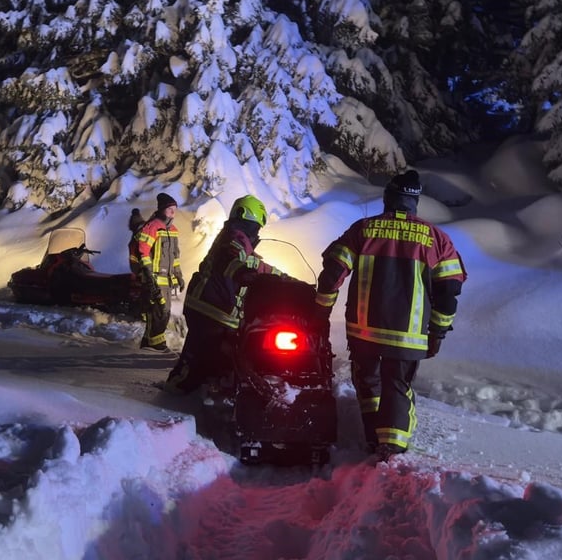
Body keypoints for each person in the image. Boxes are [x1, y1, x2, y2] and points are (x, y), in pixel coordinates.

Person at [315, 170, 466, 461]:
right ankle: (393, 448)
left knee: (369, 384)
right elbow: (449, 292)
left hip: (364, 332)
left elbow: (333, 270)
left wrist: (321, 308)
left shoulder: (363, 230)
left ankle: (374, 438)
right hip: (408, 336)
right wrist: (438, 332)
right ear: (414, 202)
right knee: (397, 385)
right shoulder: (436, 239)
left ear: (388, 198)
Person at [164, 195, 287, 394]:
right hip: (211, 308)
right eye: (256, 227)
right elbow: (235, 260)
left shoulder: (237, 239)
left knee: (215, 359)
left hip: (218, 310)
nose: (257, 233)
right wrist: (246, 273)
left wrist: (284, 278)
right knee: (197, 360)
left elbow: (253, 263)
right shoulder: (235, 237)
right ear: (249, 221)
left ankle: (202, 391)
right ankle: (174, 397)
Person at [134, 193, 184, 351]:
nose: (172, 212)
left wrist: (179, 275)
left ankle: (151, 343)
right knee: (158, 311)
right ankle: (155, 345)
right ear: (162, 209)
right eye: (169, 209)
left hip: (167, 280)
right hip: (154, 279)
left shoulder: (173, 230)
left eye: (174, 209)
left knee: (164, 312)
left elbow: (175, 256)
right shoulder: (152, 227)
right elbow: (143, 251)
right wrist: (148, 274)